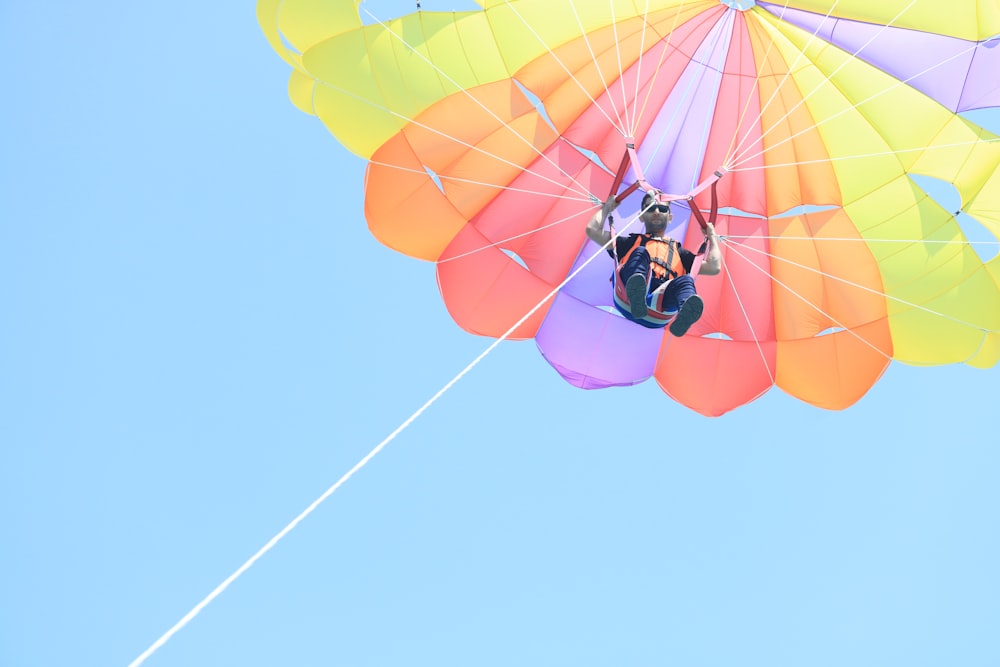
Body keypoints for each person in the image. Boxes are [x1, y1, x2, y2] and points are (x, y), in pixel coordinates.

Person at [586, 191, 722, 336]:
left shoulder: (680, 253)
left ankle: (685, 313)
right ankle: (637, 294)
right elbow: (592, 230)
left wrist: (712, 237)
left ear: (670, 217)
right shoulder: (628, 243)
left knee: (686, 281)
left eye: (662, 209)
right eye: (650, 208)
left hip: (660, 306)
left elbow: (714, 267)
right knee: (640, 252)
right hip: (626, 297)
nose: (656, 212)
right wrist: (607, 208)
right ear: (641, 216)